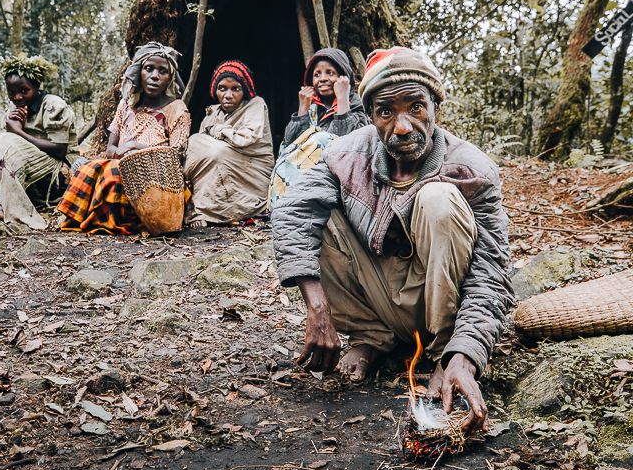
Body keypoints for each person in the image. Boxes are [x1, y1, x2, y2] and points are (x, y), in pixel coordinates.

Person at [271, 47, 515, 434]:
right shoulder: (348, 152)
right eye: (386, 112)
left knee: (439, 199)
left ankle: (442, 351)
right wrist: (317, 307)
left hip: (437, 304)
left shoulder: (473, 167)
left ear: (436, 107)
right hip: (378, 296)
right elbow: (290, 211)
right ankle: (372, 337)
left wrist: (465, 354)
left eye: (416, 107)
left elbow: (492, 270)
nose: (402, 127)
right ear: (370, 117)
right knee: (319, 213)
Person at [57, 42, 190, 234]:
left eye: (163, 71)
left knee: (111, 174)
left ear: (170, 78)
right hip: (121, 165)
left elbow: (176, 156)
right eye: (149, 69)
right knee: (88, 167)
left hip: (159, 180)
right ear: (139, 73)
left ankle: (107, 221)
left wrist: (137, 147)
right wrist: (121, 152)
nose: (155, 76)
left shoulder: (176, 108)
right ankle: (92, 218)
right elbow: (110, 148)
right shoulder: (125, 106)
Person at [0, 55, 79, 230]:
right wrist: (14, 130)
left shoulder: (53, 105)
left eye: (24, 91)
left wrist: (18, 132)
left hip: (61, 171)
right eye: (11, 92)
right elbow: (5, 145)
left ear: (36, 86)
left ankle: (5, 206)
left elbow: (59, 151)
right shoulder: (15, 109)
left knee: (8, 141)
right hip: (35, 167)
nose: (17, 97)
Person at [184, 61, 274, 228]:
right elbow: (199, 151)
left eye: (236, 89)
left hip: (252, 174)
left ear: (245, 90)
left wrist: (216, 131)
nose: (228, 95)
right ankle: (204, 211)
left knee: (217, 151)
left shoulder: (256, 104)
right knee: (198, 145)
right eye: (222, 88)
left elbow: (244, 138)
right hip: (219, 171)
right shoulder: (211, 113)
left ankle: (218, 211)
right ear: (215, 91)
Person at [282, 48, 368, 147]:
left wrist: (342, 98)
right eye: (317, 74)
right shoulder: (310, 106)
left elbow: (348, 142)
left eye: (330, 73)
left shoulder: (356, 104)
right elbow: (289, 143)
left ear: (344, 77)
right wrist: (302, 109)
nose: (322, 79)